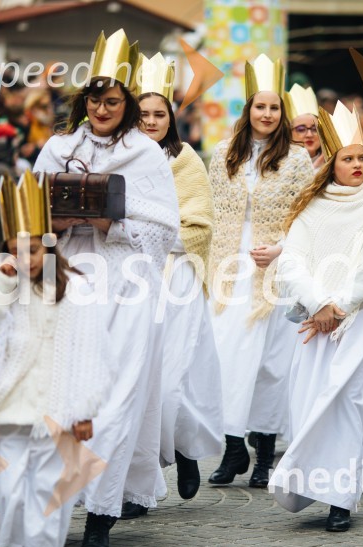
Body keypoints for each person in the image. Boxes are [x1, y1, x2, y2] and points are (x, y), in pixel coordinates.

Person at [32, 29, 180, 547]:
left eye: (112, 99)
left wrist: (109, 225)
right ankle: (49, 501)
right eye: (94, 98)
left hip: (126, 284)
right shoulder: (58, 147)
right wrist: (59, 221)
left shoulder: (146, 154)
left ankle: (100, 515)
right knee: (63, 392)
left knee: (114, 397)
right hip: (70, 281)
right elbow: (31, 215)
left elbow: (166, 232)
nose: (101, 107)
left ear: (128, 103)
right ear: (84, 100)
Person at [0, 171, 111, 547]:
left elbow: (91, 350)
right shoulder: (3, 288)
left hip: (58, 406)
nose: (24, 258)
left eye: (32, 249)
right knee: (12, 495)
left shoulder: (76, 288)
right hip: (11, 407)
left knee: (48, 494)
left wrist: (84, 409)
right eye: (16, 249)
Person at [269, 101, 363, 532]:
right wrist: (319, 304)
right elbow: (292, 261)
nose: (358, 165)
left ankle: (341, 497)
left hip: (360, 316)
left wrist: (339, 308)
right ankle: (311, 482)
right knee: (311, 395)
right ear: (332, 163)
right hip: (315, 316)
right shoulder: (314, 204)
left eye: (362, 157)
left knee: (350, 399)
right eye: (349, 158)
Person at [120, 53, 223, 518]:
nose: (151, 122)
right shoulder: (115, 158)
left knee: (172, 378)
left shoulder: (186, 162)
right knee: (133, 381)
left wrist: (151, 235)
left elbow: (199, 226)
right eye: (143, 114)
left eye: (159, 114)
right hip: (126, 277)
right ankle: (137, 480)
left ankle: (183, 449)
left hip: (175, 278)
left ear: (171, 119)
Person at [206, 54, 315, 488]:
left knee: (272, 363)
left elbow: (306, 217)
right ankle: (233, 448)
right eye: (259, 106)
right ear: (248, 109)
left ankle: (265, 452)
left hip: (277, 269)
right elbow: (214, 211)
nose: (266, 114)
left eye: (274, 108)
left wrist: (282, 249)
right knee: (228, 356)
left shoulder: (296, 160)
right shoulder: (222, 155)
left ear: (282, 114)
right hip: (232, 267)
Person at [284, 84, 324, 168]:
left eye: (315, 129)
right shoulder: (279, 165)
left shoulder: (333, 165)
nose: (309, 135)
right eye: (301, 129)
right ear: (288, 133)